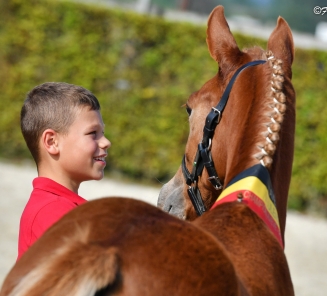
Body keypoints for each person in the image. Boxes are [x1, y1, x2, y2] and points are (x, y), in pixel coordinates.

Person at [17, 82, 111, 260]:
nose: (106, 142)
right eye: (93, 133)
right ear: (52, 142)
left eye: (103, 132)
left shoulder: (66, 208)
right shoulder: (52, 212)